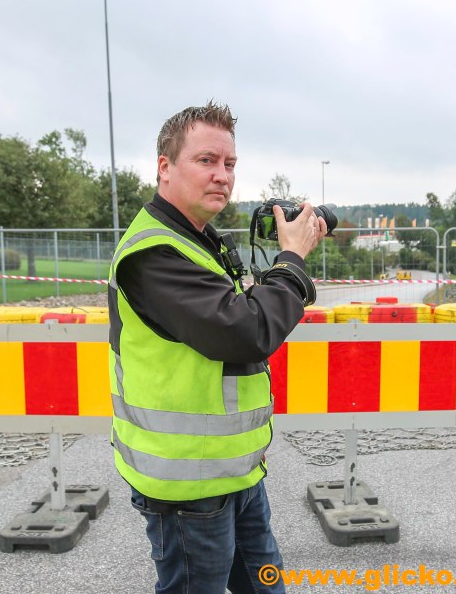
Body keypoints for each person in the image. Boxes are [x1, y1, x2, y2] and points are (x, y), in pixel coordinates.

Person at [108, 102, 327, 594]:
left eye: (229, 164)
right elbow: (246, 332)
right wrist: (292, 261)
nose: (222, 176)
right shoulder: (153, 253)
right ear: (165, 168)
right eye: (206, 160)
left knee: (266, 585)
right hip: (188, 486)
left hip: (238, 472)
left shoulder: (198, 239)